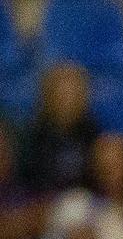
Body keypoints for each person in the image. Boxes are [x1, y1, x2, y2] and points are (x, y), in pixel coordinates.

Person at [17, 63, 100, 196]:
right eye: (62, 94)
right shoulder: (32, 136)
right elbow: (26, 181)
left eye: (72, 94)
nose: (67, 101)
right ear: (47, 96)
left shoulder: (93, 133)